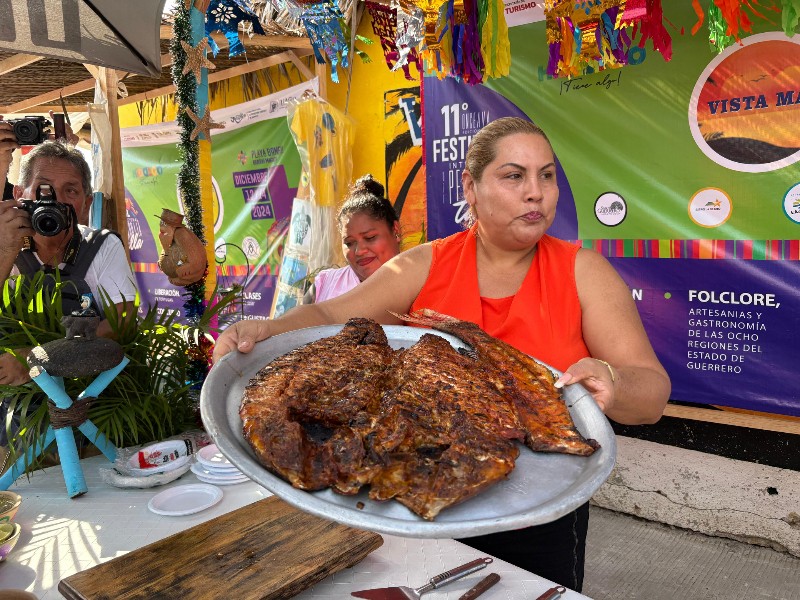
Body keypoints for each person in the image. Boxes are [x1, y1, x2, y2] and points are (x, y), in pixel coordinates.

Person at [212, 117, 671, 591]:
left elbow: (652, 392)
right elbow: (330, 314)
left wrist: (613, 383)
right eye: (514, 176)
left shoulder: (583, 272)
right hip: (418, 500)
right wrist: (266, 327)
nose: (536, 192)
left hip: (539, 520)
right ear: (471, 188)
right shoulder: (423, 264)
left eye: (547, 175)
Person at [0, 132, 138, 448]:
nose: (56, 201)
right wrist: (7, 250)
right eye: (44, 189)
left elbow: (123, 320)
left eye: (71, 191)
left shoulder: (102, 246)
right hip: (19, 413)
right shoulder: (6, 243)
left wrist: (37, 360)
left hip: (92, 406)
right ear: (22, 194)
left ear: (86, 204)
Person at [304, 174, 401, 303]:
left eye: (370, 237)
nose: (359, 251)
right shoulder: (323, 286)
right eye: (349, 243)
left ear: (395, 230)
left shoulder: (420, 283)